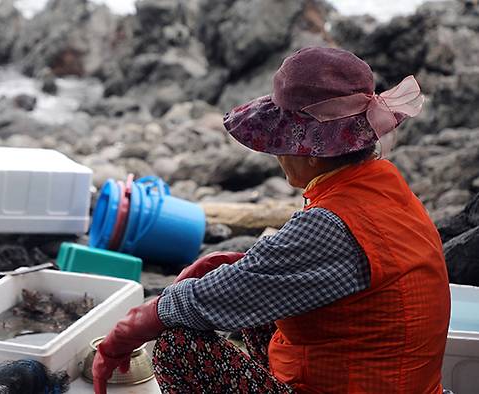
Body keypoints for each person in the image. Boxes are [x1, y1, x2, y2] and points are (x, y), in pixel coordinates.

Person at [91, 46, 451, 393]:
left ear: (311, 151)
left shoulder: (331, 225)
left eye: (280, 142)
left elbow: (319, 248)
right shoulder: (385, 185)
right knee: (252, 301)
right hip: (392, 381)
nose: (276, 154)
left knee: (178, 346)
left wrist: (126, 332)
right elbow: (316, 270)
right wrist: (240, 266)